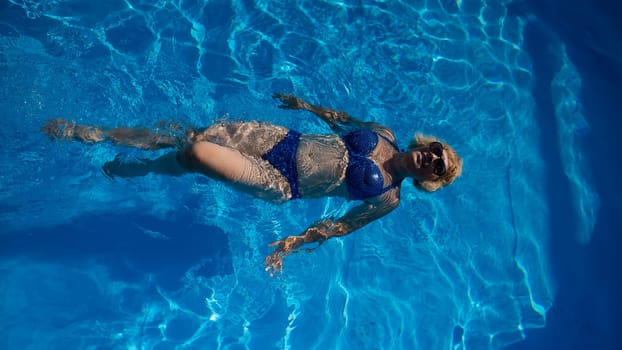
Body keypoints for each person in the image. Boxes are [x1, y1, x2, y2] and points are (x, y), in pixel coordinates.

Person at [43, 93, 463, 275]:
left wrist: (293, 243)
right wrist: (305, 105)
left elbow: (342, 226)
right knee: (187, 134)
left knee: (194, 154)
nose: (432, 157)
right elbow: (340, 120)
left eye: (437, 166)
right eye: (436, 150)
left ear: (431, 180)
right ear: (428, 143)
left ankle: (143, 169)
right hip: (279, 138)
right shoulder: (383, 130)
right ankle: (95, 133)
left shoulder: (388, 198)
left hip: (280, 180)